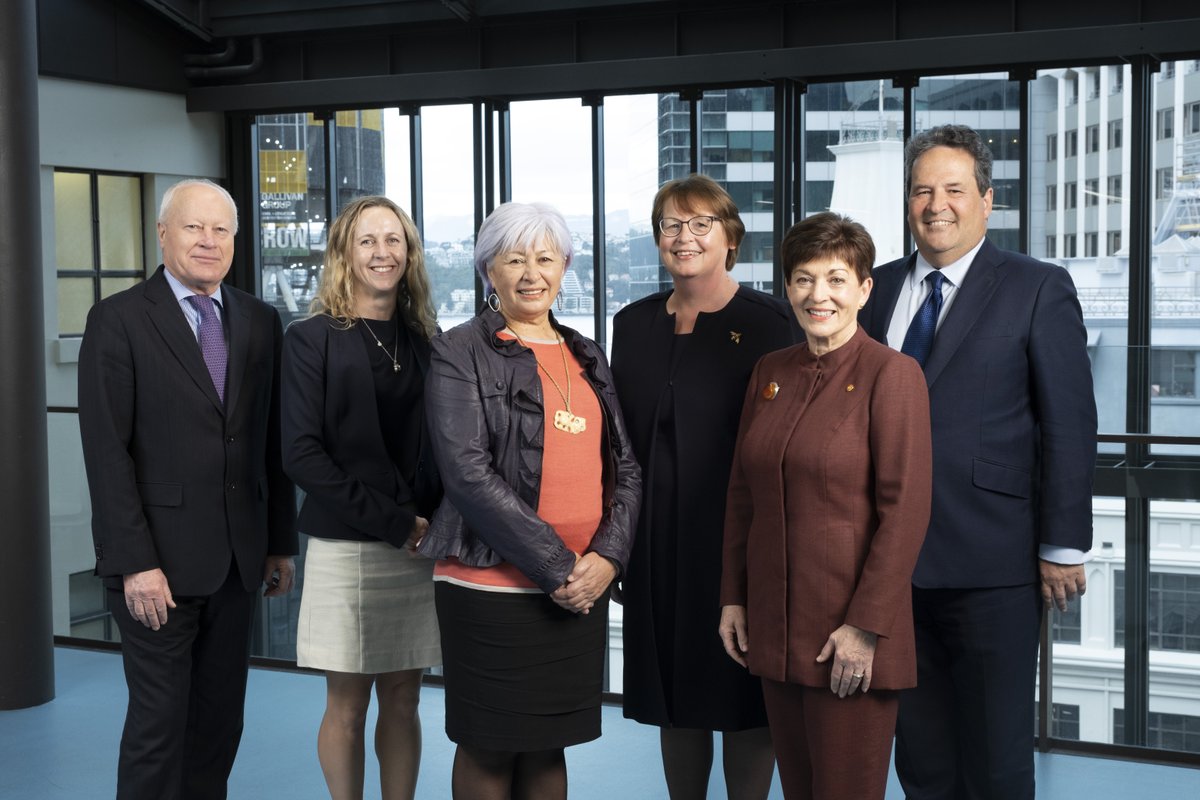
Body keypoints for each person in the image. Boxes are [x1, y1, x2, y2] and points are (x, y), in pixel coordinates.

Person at [859, 124, 1098, 800]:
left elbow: (1071, 424)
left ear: (987, 201)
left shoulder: (1037, 287)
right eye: (922, 190)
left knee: (995, 762)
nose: (937, 204)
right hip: (891, 567)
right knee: (924, 760)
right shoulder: (873, 290)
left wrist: (1062, 544)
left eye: (954, 189)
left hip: (994, 562)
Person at [78, 179, 297, 799]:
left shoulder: (258, 318)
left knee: (219, 725)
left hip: (237, 561)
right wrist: (135, 563)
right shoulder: (118, 319)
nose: (208, 241)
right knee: (159, 726)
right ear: (163, 234)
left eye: (221, 230)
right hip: (157, 568)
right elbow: (106, 453)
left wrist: (278, 543)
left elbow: (268, 439)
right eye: (194, 227)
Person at [418, 201, 642, 800]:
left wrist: (608, 560)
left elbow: (625, 467)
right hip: (490, 585)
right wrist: (560, 566)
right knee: (489, 745)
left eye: (544, 258)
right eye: (513, 259)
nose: (530, 273)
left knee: (549, 746)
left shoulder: (586, 352)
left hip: (581, 589)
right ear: (488, 270)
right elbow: (466, 473)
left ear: (565, 267)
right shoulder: (459, 349)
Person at [719, 211, 932, 799]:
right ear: (787, 287)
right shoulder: (771, 371)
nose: (819, 295)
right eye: (804, 279)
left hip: (847, 632)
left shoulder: (894, 375)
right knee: (798, 790)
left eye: (837, 279)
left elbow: (905, 513)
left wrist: (865, 629)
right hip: (775, 624)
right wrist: (734, 597)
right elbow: (743, 495)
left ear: (865, 289)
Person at [611, 173, 795, 798]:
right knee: (674, 696)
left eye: (700, 225)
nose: (684, 237)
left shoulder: (772, 321)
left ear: (730, 237)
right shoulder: (631, 324)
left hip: (736, 544)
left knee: (744, 696)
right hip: (654, 544)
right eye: (671, 225)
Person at [281, 196, 443, 800]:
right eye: (368, 240)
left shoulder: (427, 339)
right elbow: (301, 455)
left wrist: (430, 526)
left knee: (404, 699)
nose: (383, 252)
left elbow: (448, 448)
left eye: (394, 240)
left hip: (420, 546)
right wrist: (396, 523)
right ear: (345, 252)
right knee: (347, 705)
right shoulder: (310, 339)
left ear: (409, 252)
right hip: (350, 545)